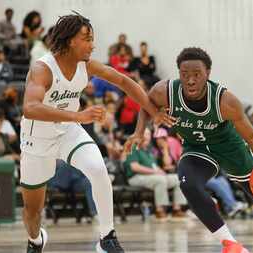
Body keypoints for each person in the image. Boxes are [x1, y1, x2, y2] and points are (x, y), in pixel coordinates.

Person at [125, 47, 253, 253]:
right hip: (197, 148)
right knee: (188, 184)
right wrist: (139, 131)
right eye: (185, 75)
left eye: (197, 75)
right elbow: (146, 103)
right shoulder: (164, 91)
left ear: (208, 74)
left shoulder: (225, 101)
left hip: (230, 148)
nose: (191, 80)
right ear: (179, 74)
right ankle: (231, 244)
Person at [20, 13, 172, 253]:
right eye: (87, 39)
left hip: (69, 131)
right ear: (71, 41)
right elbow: (30, 108)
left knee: (98, 169)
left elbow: (125, 82)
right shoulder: (43, 68)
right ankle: (36, 240)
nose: (93, 44)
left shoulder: (87, 66)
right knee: (32, 211)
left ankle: (106, 237)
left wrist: (153, 112)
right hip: (37, 138)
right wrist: (77, 116)